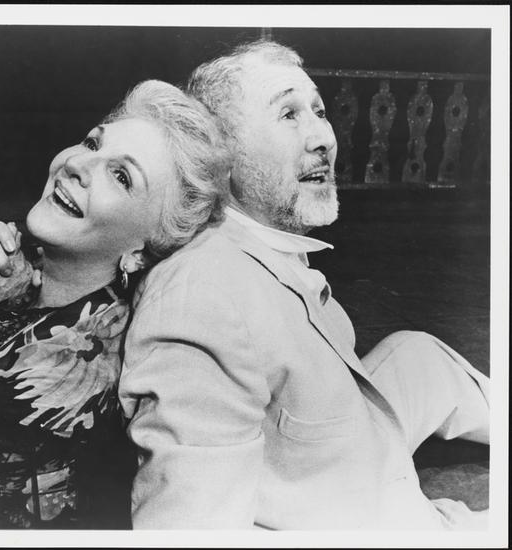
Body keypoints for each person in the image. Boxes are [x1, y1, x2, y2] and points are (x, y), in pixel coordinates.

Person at [118, 40, 490, 529]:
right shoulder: (201, 301)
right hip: (372, 516)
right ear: (221, 152)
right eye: (289, 114)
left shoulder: (254, 238)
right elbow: (188, 527)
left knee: (416, 354)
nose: (323, 139)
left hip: (339, 440)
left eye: (318, 110)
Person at [0, 79, 229, 529]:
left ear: (141, 250)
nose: (77, 164)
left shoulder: (64, 379)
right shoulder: (35, 278)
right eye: (93, 143)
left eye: (121, 176)